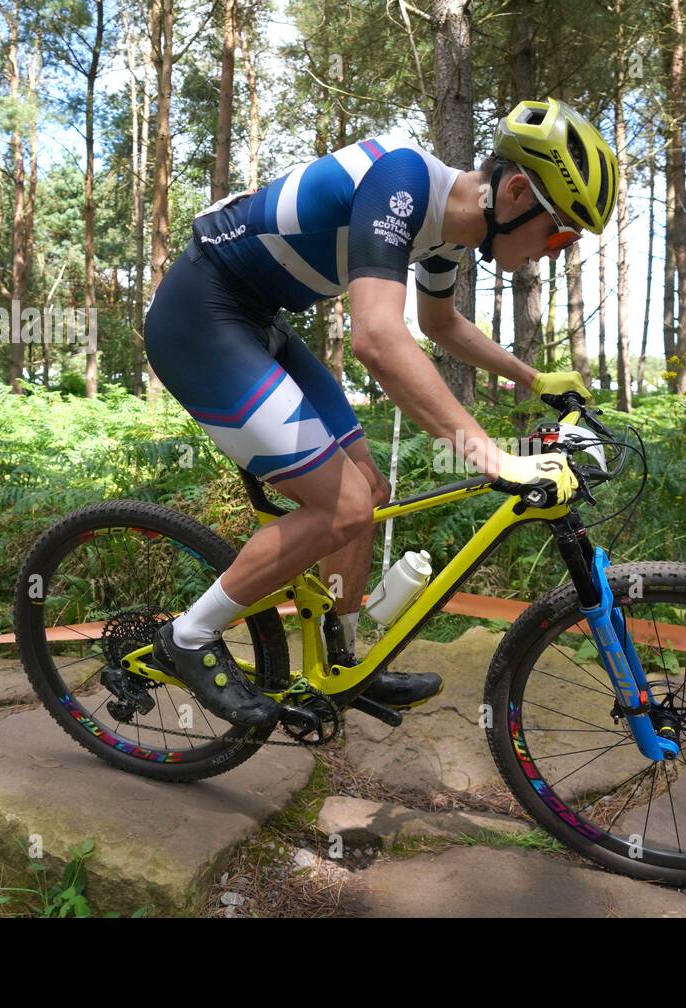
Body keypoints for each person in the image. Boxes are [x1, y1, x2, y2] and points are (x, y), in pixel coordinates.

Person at [142, 98, 619, 728]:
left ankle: (340, 668)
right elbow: (375, 336)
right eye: (559, 232)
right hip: (199, 314)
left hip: (254, 320)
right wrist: (491, 455)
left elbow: (439, 322)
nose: (555, 252)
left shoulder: (450, 229)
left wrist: (532, 378)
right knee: (340, 506)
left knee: (369, 490)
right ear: (517, 192)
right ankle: (189, 638)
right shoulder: (403, 179)